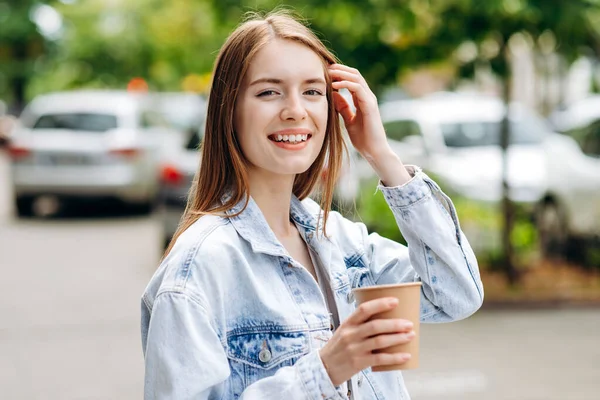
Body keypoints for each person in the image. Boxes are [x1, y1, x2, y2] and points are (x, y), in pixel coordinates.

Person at [141, 10, 483, 400]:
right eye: (269, 92)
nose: (295, 110)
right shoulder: (199, 268)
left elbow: (457, 295)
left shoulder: (341, 242)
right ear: (228, 110)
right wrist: (324, 370)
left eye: (312, 91)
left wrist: (382, 155)